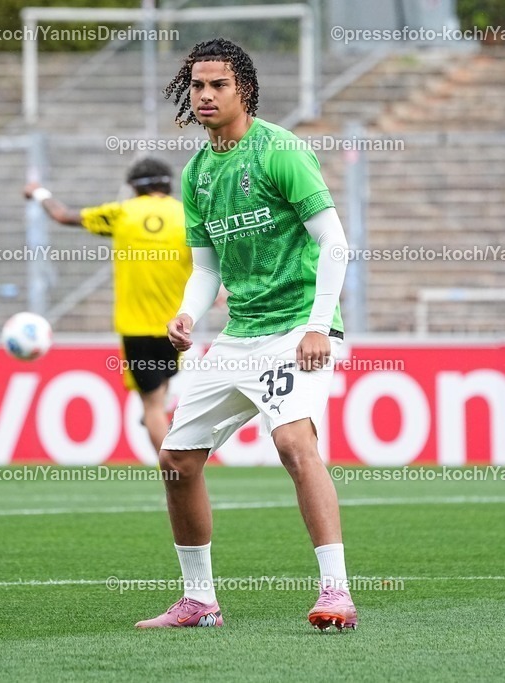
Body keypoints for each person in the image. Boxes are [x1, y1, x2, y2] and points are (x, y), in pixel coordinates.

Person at [135, 38, 356, 631]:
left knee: (292, 445)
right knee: (177, 459)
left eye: (218, 85)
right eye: (197, 86)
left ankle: (336, 593)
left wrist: (318, 326)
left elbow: (334, 242)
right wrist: (187, 315)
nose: (205, 95)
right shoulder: (199, 173)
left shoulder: (280, 150)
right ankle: (199, 600)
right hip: (241, 334)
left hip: (297, 329)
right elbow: (207, 268)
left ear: (245, 90)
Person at [24, 158, 193, 453]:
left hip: (135, 327)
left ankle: (175, 472)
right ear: (167, 183)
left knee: (152, 405)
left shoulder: (121, 213)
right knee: (158, 396)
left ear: (133, 187)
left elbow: (62, 215)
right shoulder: (186, 215)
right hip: (175, 327)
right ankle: (159, 426)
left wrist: (38, 192)